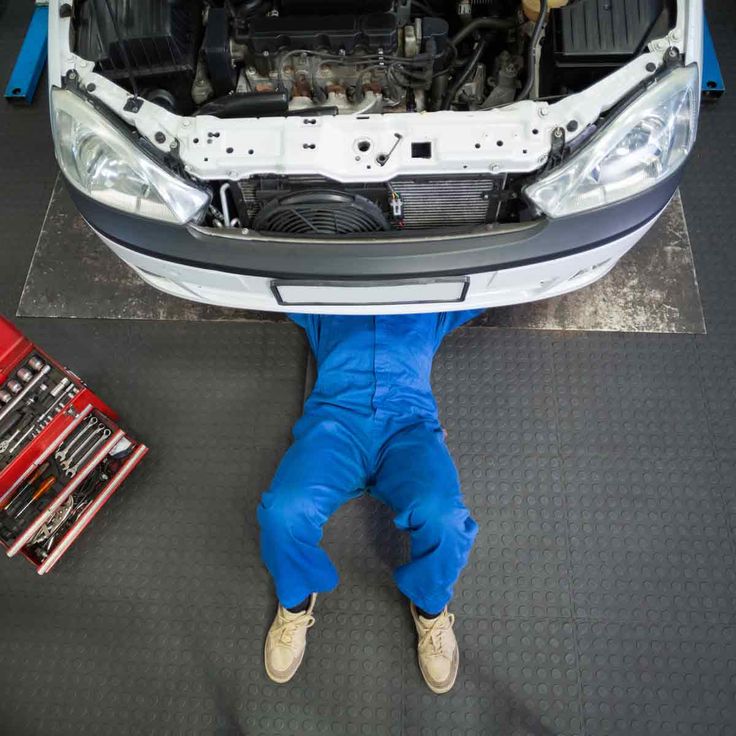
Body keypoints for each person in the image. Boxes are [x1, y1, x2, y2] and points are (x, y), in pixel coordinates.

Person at [258, 311, 483, 694]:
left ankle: (430, 609)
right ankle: (295, 602)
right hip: (335, 427)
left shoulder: (430, 303)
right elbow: (267, 278)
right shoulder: (326, 302)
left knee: (444, 518)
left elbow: (491, 282)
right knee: (283, 510)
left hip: (408, 428)